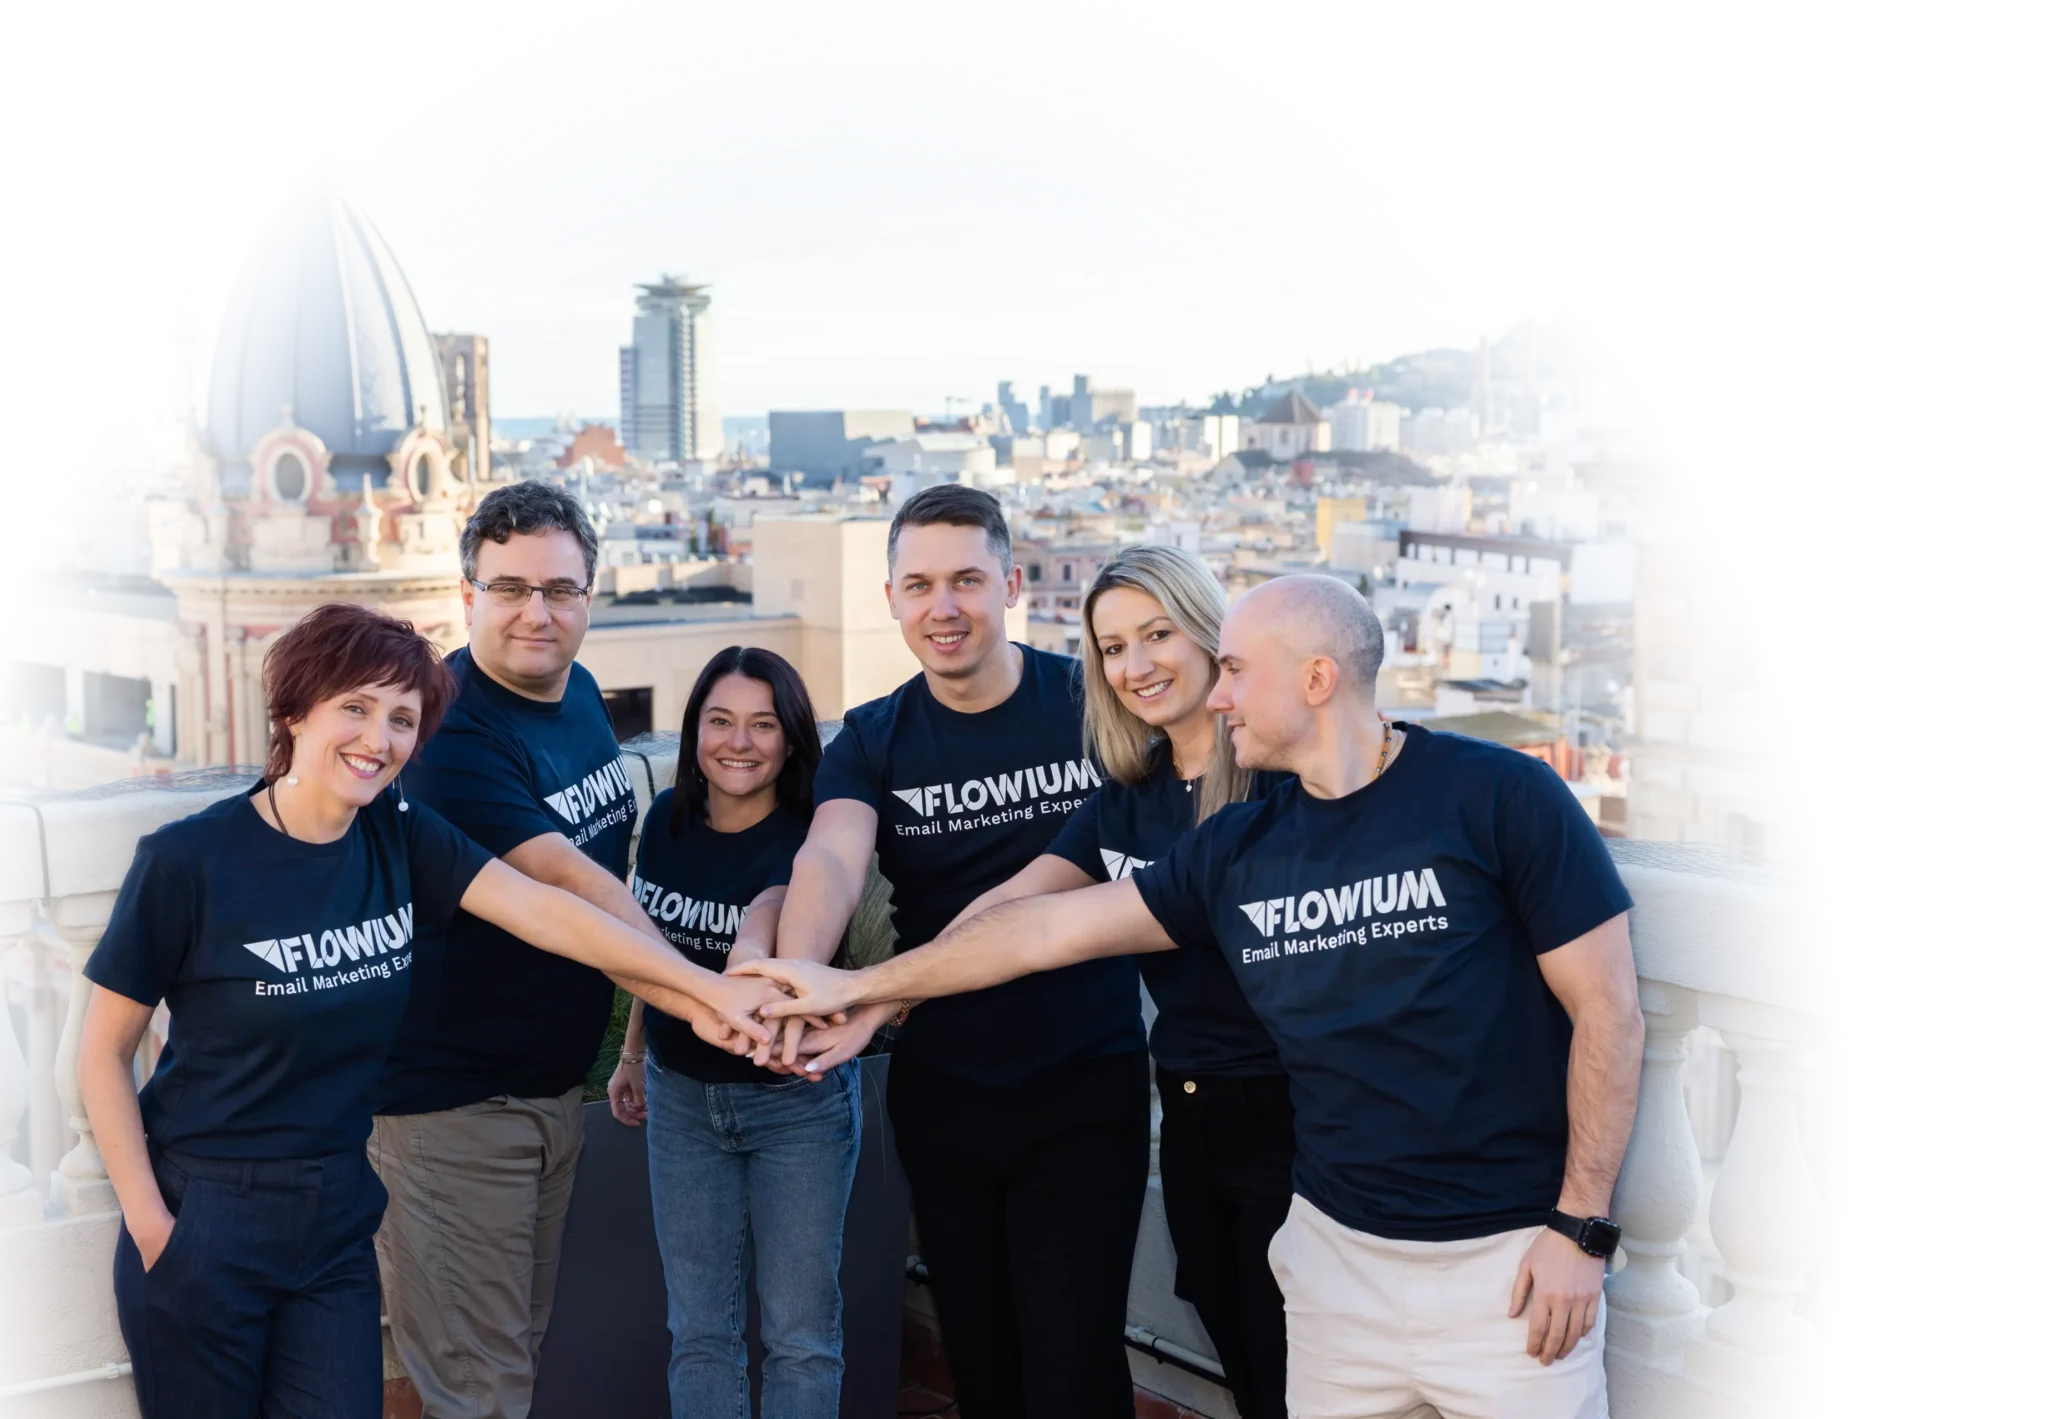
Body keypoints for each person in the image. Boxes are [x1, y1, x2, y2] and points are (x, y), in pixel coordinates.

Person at [743, 574, 1647, 1419]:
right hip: (1331, 1260)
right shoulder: (1236, 848)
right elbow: (1033, 926)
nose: (1217, 692)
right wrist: (870, 988)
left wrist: (1580, 1228)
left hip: (1505, 1269)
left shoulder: (1498, 795)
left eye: (1237, 670)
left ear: (1318, 678)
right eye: (1113, 648)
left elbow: (1608, 1010)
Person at [74, 603, 776, 1419]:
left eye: (403, 719)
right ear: (296, 710)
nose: (380, 738)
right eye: (357, 707)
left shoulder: (396, 833)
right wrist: (158, 1227)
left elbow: (548, 911)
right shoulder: (189, 861)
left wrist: (704, 989)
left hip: (336, 1213)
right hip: (208, 1207)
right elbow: (101, 1052)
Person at [369, 482, 785, 1419]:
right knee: (481, 1387)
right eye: (510, 587)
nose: (537, 612)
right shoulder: (449, 732)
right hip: (453, 1104)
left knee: (514, 1356)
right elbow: (581, 887)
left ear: (592, 594)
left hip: (547, 1088)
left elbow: (619, 868)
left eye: (560, 589)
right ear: (466, 592)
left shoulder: (579, 694)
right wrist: (713, 997)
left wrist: (637, 1036)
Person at [763, 484, 1150, 1419]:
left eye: (968, 579)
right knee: (982, 1351)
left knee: (1074, 1359)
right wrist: (802, 982)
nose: (945, 606)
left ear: (1011, 583)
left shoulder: (1090, 701)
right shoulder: (873, 737)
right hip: (946, 1088)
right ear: (891, 599)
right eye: (921, 584)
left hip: (1084, 1078)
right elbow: (831, 854)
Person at [890, 543, 1295, 1419]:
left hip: (1295, 1120)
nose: (1136, 665)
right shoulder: (1130, 793)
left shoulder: (1279, 776)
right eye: (1113, 647)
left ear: (1208, 630)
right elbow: (1008, 906)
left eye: (1157, 634)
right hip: (1192, 1115)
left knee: (1296, 1366)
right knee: (1245, 1357)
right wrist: (877, 996)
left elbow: (1047, 932)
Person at [604, 646, 861, 1419]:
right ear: (694, 731)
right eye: (720, 721)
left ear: (790, 738)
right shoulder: (667, 819)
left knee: (801, 1335)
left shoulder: (813, 834)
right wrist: (632, 1052)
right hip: (680, 1101)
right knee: (699, 1332)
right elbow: (657, 953)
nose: (739, 742)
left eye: (762, 724)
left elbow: (770, 915)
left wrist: (751, 951)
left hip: (797, 1109)